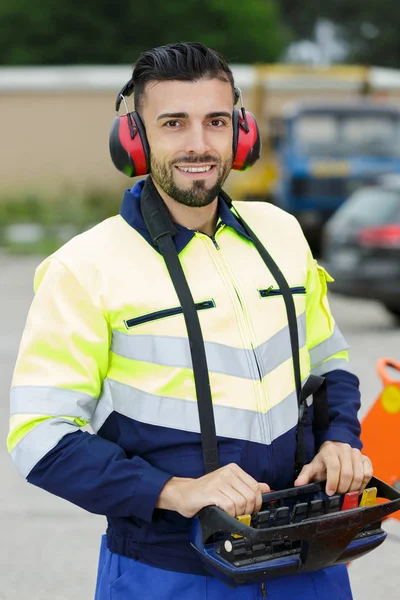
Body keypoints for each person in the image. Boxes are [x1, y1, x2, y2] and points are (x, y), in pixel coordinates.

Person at [8, 42, 372, 600]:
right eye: (173, 123)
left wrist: (340, 440)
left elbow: (329, 360)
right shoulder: (84, 267)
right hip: (170, 573)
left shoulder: (280, 232)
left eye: (216, 121)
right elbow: (40, 438)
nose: (199, 144)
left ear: (241, 132)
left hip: (308, 559)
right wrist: (174, 490)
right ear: (136, 137)